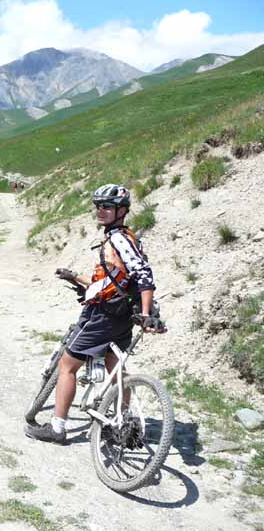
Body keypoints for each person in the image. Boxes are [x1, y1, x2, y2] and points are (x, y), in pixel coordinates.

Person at [25, 183, 166, 444]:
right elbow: (116, 281)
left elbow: (144, 274)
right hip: (123, 315)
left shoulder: (119, 239)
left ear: (121, 210)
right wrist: (76, 278)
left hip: (103, 316)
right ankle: (123, 425)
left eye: (107, 207)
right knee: (115, 365)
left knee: (67, 366)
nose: (100, 211)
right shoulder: (125, 237)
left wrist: (147, 312)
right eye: (98, 206)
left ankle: (57, 427)